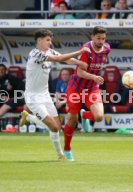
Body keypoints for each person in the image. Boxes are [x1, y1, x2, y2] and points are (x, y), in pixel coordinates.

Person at [18, 29, 89, 161]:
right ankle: (60, 155)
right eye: (47, 40)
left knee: (57, 128)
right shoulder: (35, 54)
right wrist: (80, 52)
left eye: (50, 40)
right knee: (54, 126)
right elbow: (58, 58)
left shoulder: (49, 51)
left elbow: (66, 59)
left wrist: (78, 63)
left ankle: (59, 155)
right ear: (39, 40)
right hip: (33, 97)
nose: (50, 42)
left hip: (45, 95)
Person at [63, 26, 110, 161]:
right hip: (76, 87)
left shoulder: (107, 48)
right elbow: (80, 72)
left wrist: (95, 76)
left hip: (92, 88)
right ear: (92, 37)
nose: (101, 41)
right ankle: (67, 149)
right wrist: (94, 77)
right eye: (98, 38)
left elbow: (103, 58)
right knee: (72, 121)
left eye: (103, 38)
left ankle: (84, 115)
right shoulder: (86, 50)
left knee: (99, 116)